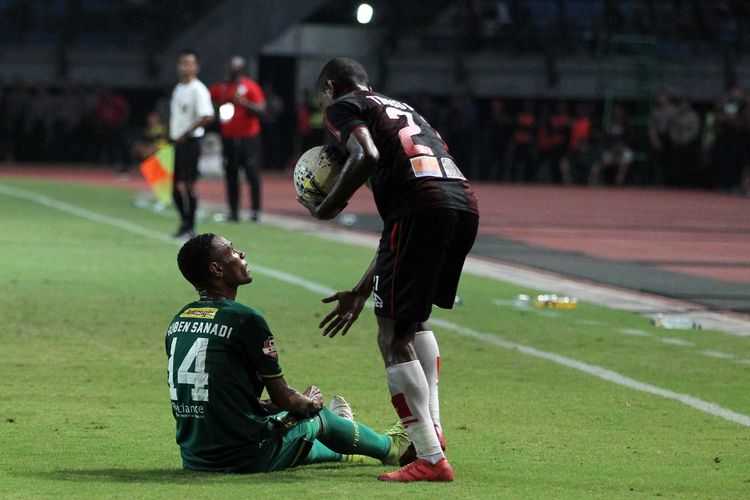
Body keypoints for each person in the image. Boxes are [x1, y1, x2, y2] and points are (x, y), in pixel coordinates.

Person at [298, 58, 479, 482]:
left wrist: (328, 207)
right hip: (460, 203)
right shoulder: (401, 107)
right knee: (413, 322)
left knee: (392, 335)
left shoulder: (343, 106)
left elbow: (365, 154)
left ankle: (431, 456)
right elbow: (395, 232)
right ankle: (430, 433)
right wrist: (362, 290)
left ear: (330, 86)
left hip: (421, 207)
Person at [167, 233, 410, 473]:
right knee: (316, 416)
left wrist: (263, 406)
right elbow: (285, 397)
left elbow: (213, 395)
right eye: (231, 251)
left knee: (286, 422)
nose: (241, 254)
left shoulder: (179, 320)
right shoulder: (244, 319)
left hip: (196, 457)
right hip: (245, 455)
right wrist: (309, 402)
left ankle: (347, 445)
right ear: (217, 270)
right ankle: (390, 447)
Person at [209, 56, 266, 223]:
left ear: (241, 70)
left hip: (249, 138)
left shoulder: (250, 87)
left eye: (234, 69)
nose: (230, 71)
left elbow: (262, 109)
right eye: (229, 68)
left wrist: (244, 103)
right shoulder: (223, 87)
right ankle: (233, 212)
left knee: (252, 174)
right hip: (229, 138)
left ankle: (255, 212)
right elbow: (208, 97)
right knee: (231, 174)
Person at [169, 49, 214, 239]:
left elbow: (207, 115)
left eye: (189, 63)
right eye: (182, 63)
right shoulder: (179, 88)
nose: (184, 67)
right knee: (174, 187)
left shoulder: (198, 89)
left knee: (188, 185)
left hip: (190, 141)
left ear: (196, 67)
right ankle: (184, 222)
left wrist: (186, 132)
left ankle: (190, 225)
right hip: (177, 141)